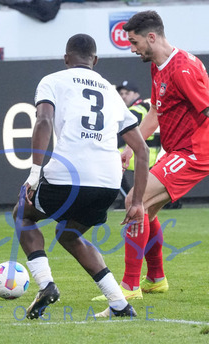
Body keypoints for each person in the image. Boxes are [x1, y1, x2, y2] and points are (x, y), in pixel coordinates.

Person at [13, 33, 150, 320]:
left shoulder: (52, 81)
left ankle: (46, 285)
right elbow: (141, 150)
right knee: (69, 234)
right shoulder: (111, 92)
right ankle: (119, 304)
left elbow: (44, 120)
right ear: (95, 60)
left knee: (23, 214)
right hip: (108, 181)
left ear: (66, 58)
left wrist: (34, 173)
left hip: (69, 172)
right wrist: (137, 202)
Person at [115, 10, 209, 300]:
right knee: (146, 211)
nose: (133, 49)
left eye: (134, 42)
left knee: (135, 200)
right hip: (177, 150)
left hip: (195, 152)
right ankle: (155, 278)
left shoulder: (183, 69)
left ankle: (129, 288)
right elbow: (155, 112)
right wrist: (131, 147)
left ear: (152, 37)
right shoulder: (159, 66)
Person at [115, 80, 162, 197]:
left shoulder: (134, 110)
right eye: (121, 94)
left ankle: (127, 199)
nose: (123, 96)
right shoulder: (146, 107)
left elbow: (124, 135)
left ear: (136, 94)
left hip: (138, 154)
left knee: (112, 164)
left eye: (127, 93)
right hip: (152, 154)